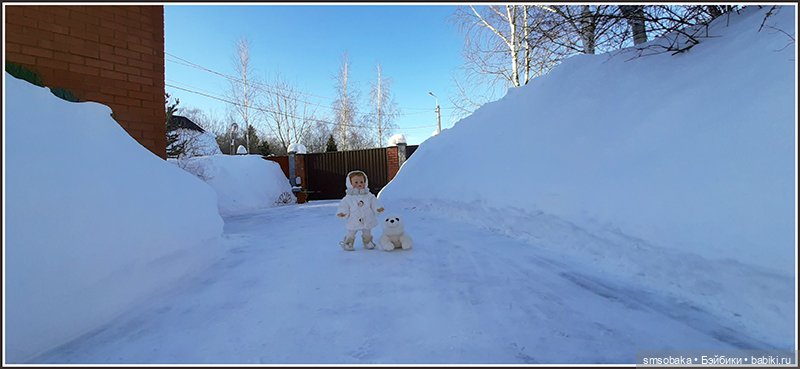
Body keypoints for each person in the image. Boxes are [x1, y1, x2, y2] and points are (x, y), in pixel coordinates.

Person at [336, 170, 384, 251]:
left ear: (365, 182)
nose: (359, 184)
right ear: (350, 183)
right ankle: (348, 243)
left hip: (367, 217)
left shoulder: (369, 196)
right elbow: (344, 206)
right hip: (354, 218)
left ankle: (368, 242)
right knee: (352, 231)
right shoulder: (348, 198)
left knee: (367, 231)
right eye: (356, 182)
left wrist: (377, 208)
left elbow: (374, 203)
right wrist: (343, 212)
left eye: (362, 182)